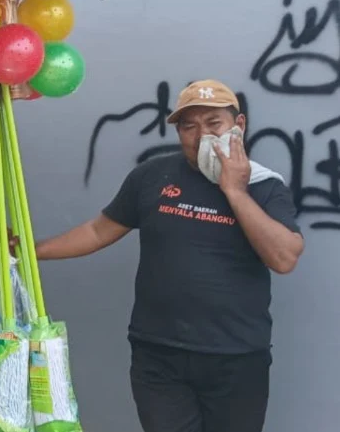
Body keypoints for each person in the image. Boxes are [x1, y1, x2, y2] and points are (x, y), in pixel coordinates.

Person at [35, 79, 304, 432]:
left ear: (238, 127)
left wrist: (235, 191)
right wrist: (31, 251)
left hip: (236, 357)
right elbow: (98, 231)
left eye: (213, 124)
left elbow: (284, 258)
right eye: (189, 126)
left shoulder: (265, 185)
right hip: (159, 354)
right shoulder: (152, 176)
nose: (201, 136)